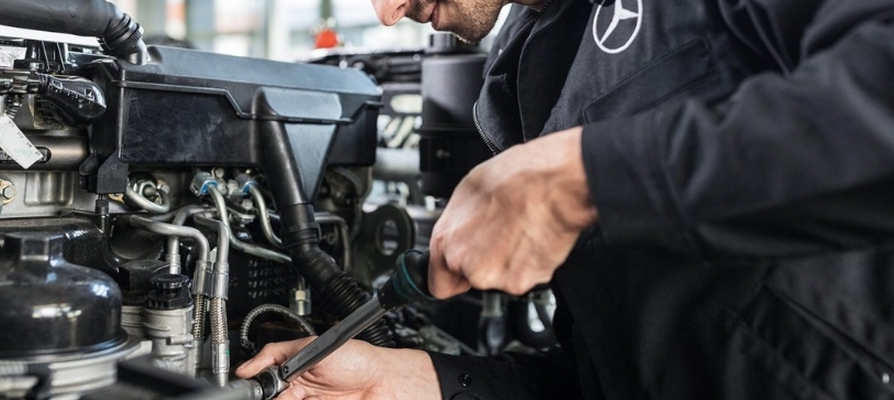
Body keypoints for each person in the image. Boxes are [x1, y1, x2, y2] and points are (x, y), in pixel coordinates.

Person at [238, 0, 894, 398]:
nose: (386, 12)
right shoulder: (521, 82)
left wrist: (586, 178)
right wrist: (426, 383)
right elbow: (613, 376)